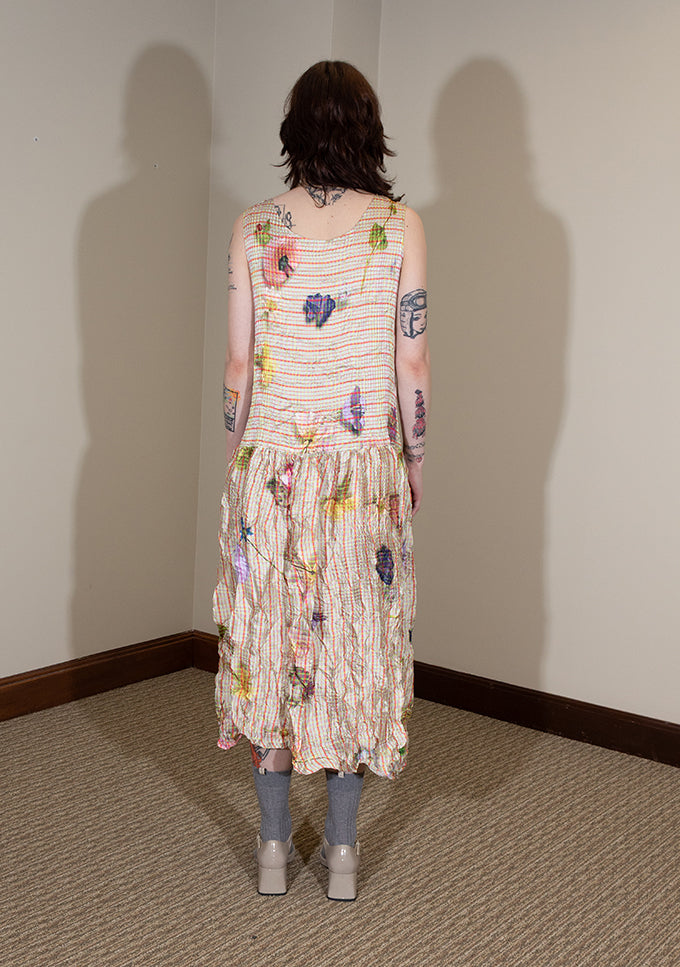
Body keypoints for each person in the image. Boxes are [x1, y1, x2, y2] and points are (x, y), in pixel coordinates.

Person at [213, 60, 429, 901]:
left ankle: (273, 848)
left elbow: (238, 367)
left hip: (270, 466)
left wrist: (236, 457)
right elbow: (412, 361)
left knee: (267, 648)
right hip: (361, 471)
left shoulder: (252, 226)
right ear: (369, 131)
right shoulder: (401, 226)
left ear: (292, 129)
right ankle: (340, 854)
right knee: (353, 651)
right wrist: (415, 460)